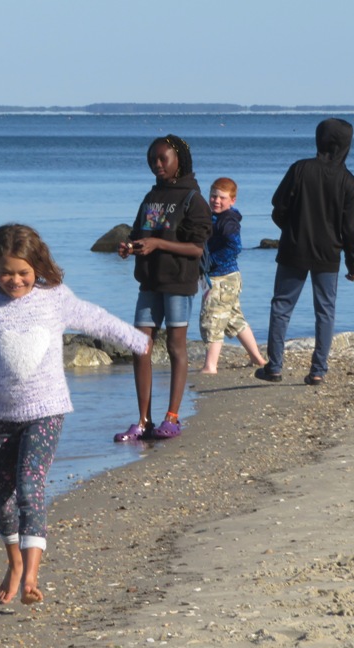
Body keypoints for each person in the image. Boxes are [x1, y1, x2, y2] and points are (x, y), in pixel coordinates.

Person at [0, 223, 149, 606]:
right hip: (1, 414)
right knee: (2, 499)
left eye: (24, 273)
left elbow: (93, 318)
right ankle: (13, 562)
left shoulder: (55, 297)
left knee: (29, 486)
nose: (15, 280)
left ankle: (31, 576)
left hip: (47, 410)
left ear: (38, 267)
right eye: (7, 272)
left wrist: (136, 340)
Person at [114, 134, 211, 442]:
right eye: (153, 159)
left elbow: (196, 248)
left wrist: (157, 243)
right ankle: (143, 420)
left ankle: (172, 417)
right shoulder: (151, 196)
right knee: (139, 346)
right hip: (149, 281)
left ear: (178, 159)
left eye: (162, 159)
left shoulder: (193, 199)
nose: (157, 164)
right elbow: (138, 231)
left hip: (179, 283)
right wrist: (130, 246)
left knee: (175, 347)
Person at [255, 118, 354, 385]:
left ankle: (275, 367)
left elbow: (278, 205)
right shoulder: (348, 182)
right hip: (328, 253)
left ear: (319, 140)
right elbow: (351, 230)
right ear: (346, 145)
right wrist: (353, 263)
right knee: (325, 310)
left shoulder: (300, 169)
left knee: (282, 305)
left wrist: (289, 228)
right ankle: (318, 370)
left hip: (294, 247)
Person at [199, 177, 267, 374]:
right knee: (233, 319)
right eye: (213, 196)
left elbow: (235, 246)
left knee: (212, 318)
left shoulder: (228, 221)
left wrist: (211, 260)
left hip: (222, 278)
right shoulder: (215, 217)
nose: (216, 201)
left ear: (232, 200)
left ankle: (210, 366)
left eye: (221, 198)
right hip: (228, 277)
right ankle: (257, 358)